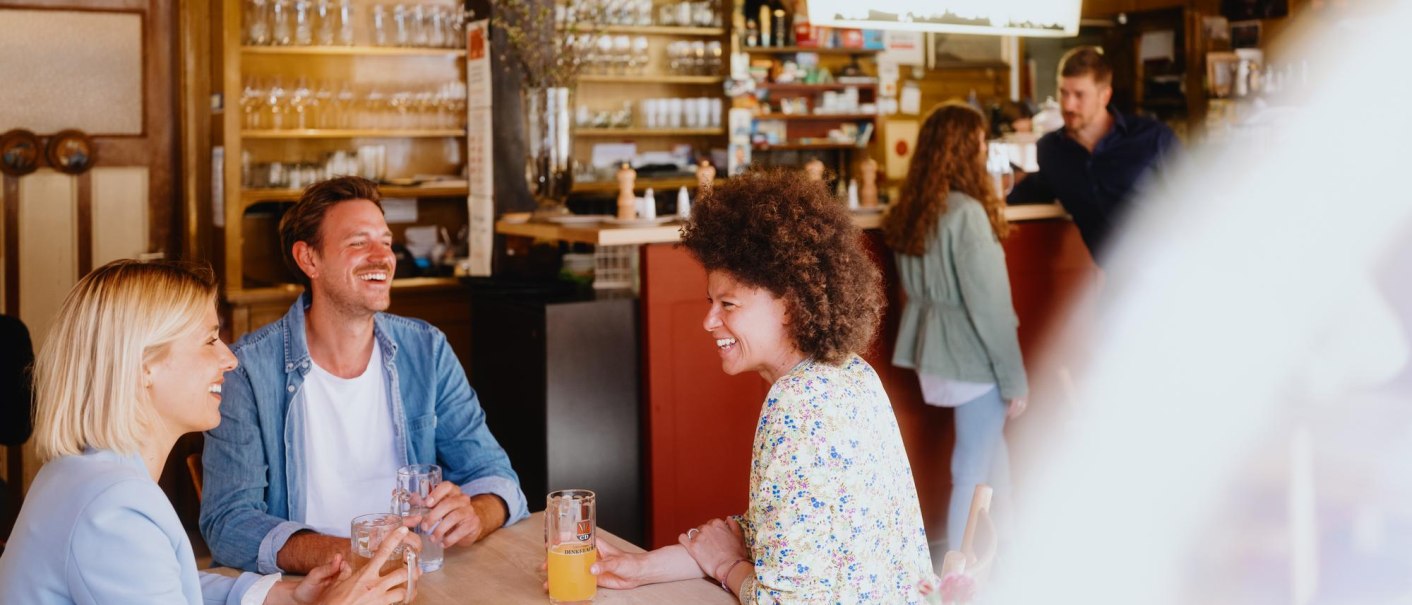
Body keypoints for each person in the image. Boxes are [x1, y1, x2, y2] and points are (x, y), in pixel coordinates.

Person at [588, 171, 937, 602]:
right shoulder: (849, 372)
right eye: (710, 302)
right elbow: (779, 531)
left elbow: (783, 599)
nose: (709, 321)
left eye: (728, 304)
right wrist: (640, 567)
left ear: (789, 305)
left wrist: (726, 565)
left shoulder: (797, 405)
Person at [0, 259, 415, 604]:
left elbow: (164, 581)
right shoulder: (113, 510)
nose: (230, 359)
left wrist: (284, 596)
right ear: (146, 364)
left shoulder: (80, 473)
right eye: (209, 340)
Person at [200, 176, 528, 574]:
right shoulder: (247, 370)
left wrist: (476, 513)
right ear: (309, 259)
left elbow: (496, 478)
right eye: (358, 242)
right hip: (310, 589)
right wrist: (352, 556)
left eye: (386, 242)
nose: (383, 256)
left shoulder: (427, 350)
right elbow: (229, 522)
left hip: (417, 582)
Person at [884, 102, 1029, 553]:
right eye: (981, 143)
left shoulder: (912, 208)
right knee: (971, 469)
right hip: (969, 355)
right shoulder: (966, 213)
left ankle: (1014, 554)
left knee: (993, 457)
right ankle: (957, 579)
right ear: (965, 150)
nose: (985, 150)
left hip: (932, 354)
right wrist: (1014, 379)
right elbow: (990, 309)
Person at [1008, 46, 1180, 262]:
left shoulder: (1153, 139)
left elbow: (1197, 204)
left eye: (1079, 95)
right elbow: (1027, 192)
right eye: (1063, 93)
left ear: (1105, 96)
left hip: (1176, 271)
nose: (1069, 105)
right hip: (1120, 282)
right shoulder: (1051, 151)